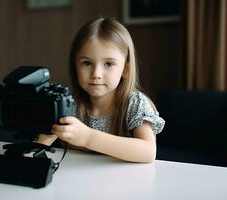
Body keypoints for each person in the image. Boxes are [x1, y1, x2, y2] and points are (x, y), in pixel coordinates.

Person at [37, 17, 165, 163]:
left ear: (126, 69)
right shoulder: (68, 104)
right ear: (75, 66)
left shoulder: (135, 104)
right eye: (86, 63)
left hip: (125, 183)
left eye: (109, 64)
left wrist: (88, 138)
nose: (96, 74)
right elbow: (38, 148)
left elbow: (148, 152)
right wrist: (42, 141)